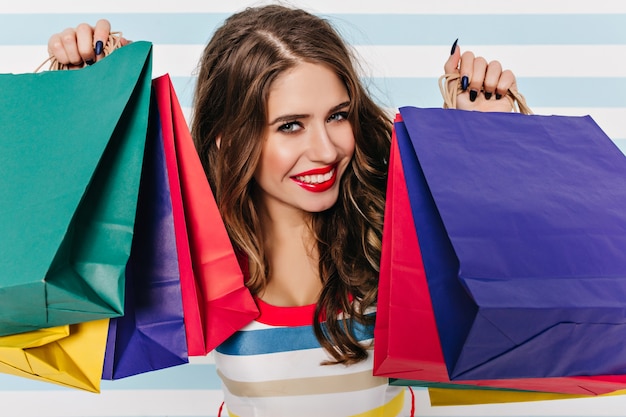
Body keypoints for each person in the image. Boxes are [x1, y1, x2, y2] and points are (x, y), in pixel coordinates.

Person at [48, 4, 518, 416]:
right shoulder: (192, 248)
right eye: (290, 125)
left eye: (337, 115)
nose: (326, 150)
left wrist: (481, 144)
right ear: (228, 137)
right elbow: (68, 270)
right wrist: (91, 100)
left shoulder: (395, 225)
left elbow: (506, 289)